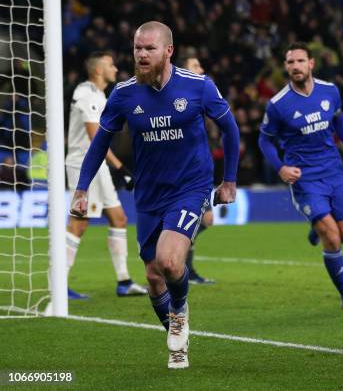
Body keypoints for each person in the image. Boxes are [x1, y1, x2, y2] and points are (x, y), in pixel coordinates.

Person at [70, 22, 240, 369]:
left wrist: (229, 181)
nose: (141, 55)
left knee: (170, 261)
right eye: (137, 48)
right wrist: (82, 187)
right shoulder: (124, 94)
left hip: (190, 187)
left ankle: (179, 311)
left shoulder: (198, 87)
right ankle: (178, 339)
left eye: (149, 48)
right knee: (152, 275)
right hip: (149, 194)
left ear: (168, 51)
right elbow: (100, 142)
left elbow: (230, 130)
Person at [258, 42, 343, 311]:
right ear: (286, 67)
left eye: (300, 61)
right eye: (290, 62)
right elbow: (265, 141)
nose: (295, 66)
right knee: (333, 237)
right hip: (305, 178)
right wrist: (281, 167)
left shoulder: (330, 91)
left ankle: (317, 222)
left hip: (333, 172)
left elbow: (339, 121)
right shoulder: (278, 105)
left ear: (311, 64)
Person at [65, 51, 147, 299]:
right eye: (111, 64)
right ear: (98, 69)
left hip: (97, 166)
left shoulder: (99, 94)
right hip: (84, 165)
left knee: (118, 218)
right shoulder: (87, 93)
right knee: (79, 224)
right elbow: (95, 138)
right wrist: (121, 168)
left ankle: (124, 281)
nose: (115, 67)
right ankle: (58, 281)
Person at [176, 54, 216, 285]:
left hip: (198, 167)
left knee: (205, 219)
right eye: (195, 66)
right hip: (185, 169)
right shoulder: (179, 96)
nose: (201, 68)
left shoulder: (200, 93)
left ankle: (185, 265)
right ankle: (181, 263)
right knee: (201, 219)